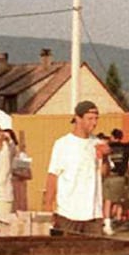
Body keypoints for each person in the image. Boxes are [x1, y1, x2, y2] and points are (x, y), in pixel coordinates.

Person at [44, 100, 104, 234]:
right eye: (90, 119)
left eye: (96, 119)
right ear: (78, 119)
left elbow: (103, 174)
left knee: (96, 253)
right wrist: (48, 206)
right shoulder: (62, 144)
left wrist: (104, 158)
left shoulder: (98, 143)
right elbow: (53, 176)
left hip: (93, 213)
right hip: (68, 213)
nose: (94, 123)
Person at [4, 127, 30, 213]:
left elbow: (28, 174)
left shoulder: (21, 155)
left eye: (7, 139)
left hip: (17, 189)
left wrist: (14, 170)